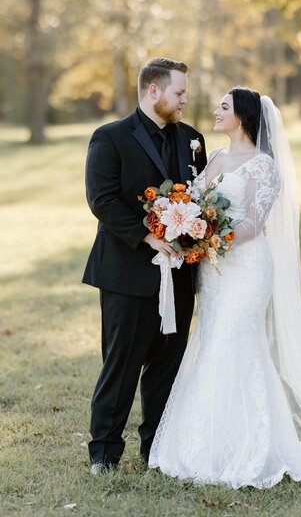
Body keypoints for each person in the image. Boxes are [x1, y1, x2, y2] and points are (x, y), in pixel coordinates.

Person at [149, 87, 301, 493]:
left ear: (244, 117)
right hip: (214, 272)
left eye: (224, 107)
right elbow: (195, 203)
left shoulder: (263, 166)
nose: (216, 111)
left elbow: (251, 225)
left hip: (246, 267)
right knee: (212, 342)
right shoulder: (213, 157)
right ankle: (207, 442)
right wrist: (185, 225)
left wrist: (209, 236)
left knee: (235, 343)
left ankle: (251, 447)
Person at [82, 57, 207, 474]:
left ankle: (157, 448)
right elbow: (101, 199)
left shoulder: (193, 139)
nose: (185, 99)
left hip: (180, 274)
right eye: (179, 92)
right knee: (122, 364)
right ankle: (104, 453)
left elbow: (200, 201)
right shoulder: (110, 137)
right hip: (127, 271)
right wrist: (147, 235)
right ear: (154, 91)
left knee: (167, 365)